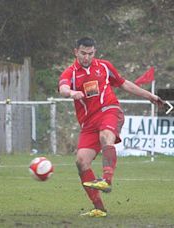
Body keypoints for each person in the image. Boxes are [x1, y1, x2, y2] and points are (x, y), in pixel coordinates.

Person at [58, 37, 164, 217]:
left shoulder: (104, 67)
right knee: (81, 162)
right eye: (83, 53)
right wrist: (71, 92)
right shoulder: (70, 73)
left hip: (110, 110)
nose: (86, 57)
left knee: (106, 136)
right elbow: (63, 87)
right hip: (89, 122)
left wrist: (149, 96)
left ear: (95, 52)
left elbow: (124, 83)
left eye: (90, 53)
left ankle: (106, 179)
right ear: (76, 52)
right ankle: (99, 208)